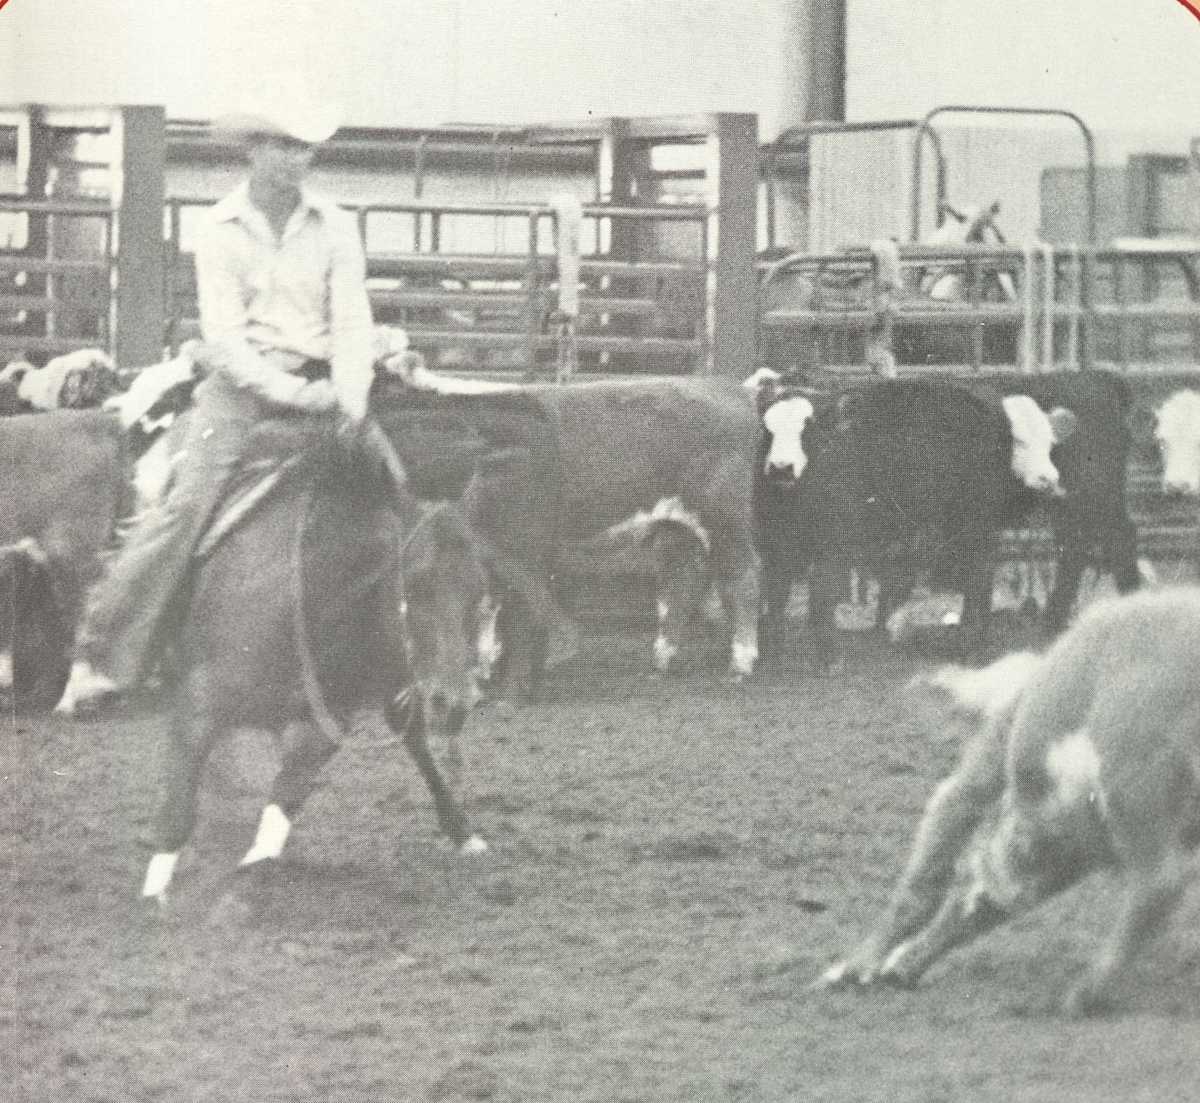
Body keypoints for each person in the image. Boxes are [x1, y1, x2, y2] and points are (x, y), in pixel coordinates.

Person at [58, 96, 411, 713]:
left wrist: (350, 402)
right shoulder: (218, 228)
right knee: (186, 507)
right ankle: (100, 654)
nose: (292, 159)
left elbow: (354, 319)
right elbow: (225, 338)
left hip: (330, 380)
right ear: (251, 148)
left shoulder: (336, 225)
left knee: (397, 488)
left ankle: (409, 646)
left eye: (302, 147)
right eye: (279, 144)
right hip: (241, 392)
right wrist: (300, 394)